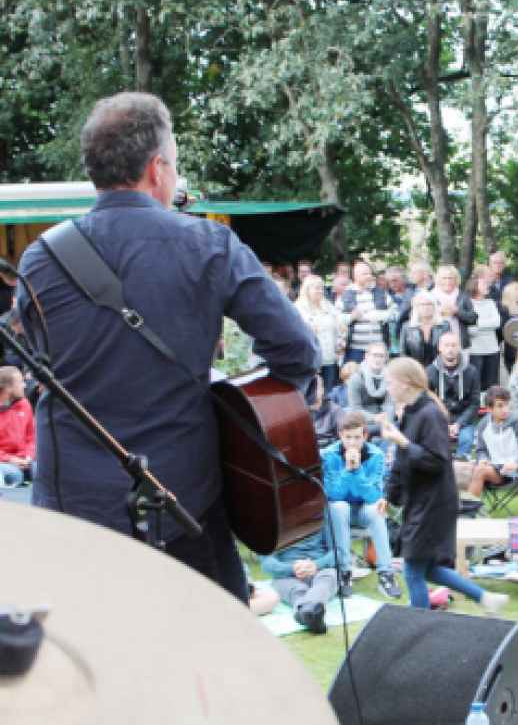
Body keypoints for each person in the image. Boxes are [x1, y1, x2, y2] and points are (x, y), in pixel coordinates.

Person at [17, 92, 319, 602]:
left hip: (74, 508)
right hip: (183, 503)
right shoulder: (209, 245)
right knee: (213, 648)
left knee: (86, 649)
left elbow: (45, 362)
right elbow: (297, 351)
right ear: (156, 169)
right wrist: (248, 416)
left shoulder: (38, 259)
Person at [380, 357, 509, 613]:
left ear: (406, 384)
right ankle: (485, 598)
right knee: (427, 569)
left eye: (390, 382)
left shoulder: (430, 414)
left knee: (412, 571)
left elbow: (437, 461)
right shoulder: (410, 413)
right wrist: (388, 495)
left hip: (434, 503)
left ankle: (420, 624)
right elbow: (402, 461)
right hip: (421, 501)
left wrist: (403, 443)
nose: (387, 388)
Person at [321, 412, 403, 600]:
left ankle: (386, 573)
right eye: (348, 437)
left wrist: (358, 471)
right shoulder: (329, 454)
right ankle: (344, 571)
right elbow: (334, 494)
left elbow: (374, 497)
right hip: (340, 510)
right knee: (338, 507)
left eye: (357, 437)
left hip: (363, 508)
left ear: (365, 436)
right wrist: (347, 471)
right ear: (340, 435)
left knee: (377, 510)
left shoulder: (376, 455)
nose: (352, 443)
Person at [458, 386, 518, 500]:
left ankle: (469, 507)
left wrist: (517, 464)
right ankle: (454, 505)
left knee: (480, 470)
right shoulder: (484, 424)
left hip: (514, 471)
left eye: (507, 405)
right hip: (492, 466)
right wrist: (483, 459)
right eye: (500, 406)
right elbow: (481, 450)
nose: (505, 409)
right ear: (489, 408)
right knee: (459, 468)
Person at [260, 528, 339, 634]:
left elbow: (337, 552)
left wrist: (316, 565)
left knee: (328, 578)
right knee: (297, 590)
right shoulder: (273, 523)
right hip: (286, 572)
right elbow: (267, 562)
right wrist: (293, 569)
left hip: (320, 568)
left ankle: (304, 612)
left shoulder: (323, 519)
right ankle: (311, 612)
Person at [426, 331, 481, 459]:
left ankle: (461, 465)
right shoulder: (429, 371)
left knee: (466, 439)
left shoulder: (471, 371)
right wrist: (443, 424)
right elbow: (428, 402)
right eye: (446, 345)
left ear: (460, 346)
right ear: (439, 347)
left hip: (463, 419)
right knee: (434, 440)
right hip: (438, 419)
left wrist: (458, 424)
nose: (450, 349)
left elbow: (474, 403)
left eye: (453, 345)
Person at [334, 260, 398, 364]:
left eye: (370, 273)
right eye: (365, 274)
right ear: (355, 277)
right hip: (355, 350)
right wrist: (351, 317)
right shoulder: (345, 296)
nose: (369, 276)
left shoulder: (382, 293)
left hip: (379, 349)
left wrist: (380, 315)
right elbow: (336, 320)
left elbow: (396, 314)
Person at [295, 274, 341, 393]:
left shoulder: (328, 305)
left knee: (329, 391)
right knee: (312, 391)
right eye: (316, 288)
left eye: (321, 288)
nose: (320, 291)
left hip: (330, 357)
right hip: (311, 358)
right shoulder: (299, 307)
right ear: (307, 289)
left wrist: (339, 345)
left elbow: (338, 326)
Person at [347, 342, 394, 436]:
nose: (378, 359)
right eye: (375, 355)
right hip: (363, 422)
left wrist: (386, 418)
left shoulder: (390, 378)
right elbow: (355, 409)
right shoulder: (356, 379)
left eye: (381, 356)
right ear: (366, 356)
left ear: (385, 358)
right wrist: (374, 418)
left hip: (385, 421)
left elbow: (390, 404)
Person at [466, 273, 502, 392]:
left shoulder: (490, 302)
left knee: (492, 385)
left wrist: (477, 323)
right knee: (476, 383)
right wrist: (487, 324)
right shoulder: (467, 304)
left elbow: (497, 322)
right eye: (483, 284)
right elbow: (470, 329)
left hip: (492, 348)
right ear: (474, 286)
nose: (487, 286)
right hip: (475, 350)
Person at [0, 366, 34, 486]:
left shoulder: (25, 404)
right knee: (14, 474)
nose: (24, 385)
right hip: (5, 461)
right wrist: (9, 459)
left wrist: (29, 456)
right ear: (7, 389)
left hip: (26, 459)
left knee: (42, 469)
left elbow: (32, 436)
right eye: (20, 382)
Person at [431, 265, 478, 352]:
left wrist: (457, 311)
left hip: (460, 342)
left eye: (451, 278)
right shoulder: (430, 296)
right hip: (436, 342)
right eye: (444, 278)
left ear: (456, 280)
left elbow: (473, 319)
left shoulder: (463, 296)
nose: (447, 281)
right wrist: (437, 311)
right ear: (438, 280)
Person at [399, 290, 448, 367]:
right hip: (415, 369)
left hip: (439, 368)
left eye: (429, 304)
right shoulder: (407, 327)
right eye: (422, 304)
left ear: (434, 306)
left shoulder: (444, 325)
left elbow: (448, 348)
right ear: (416, 307)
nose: (426, 307)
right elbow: (403, 352)